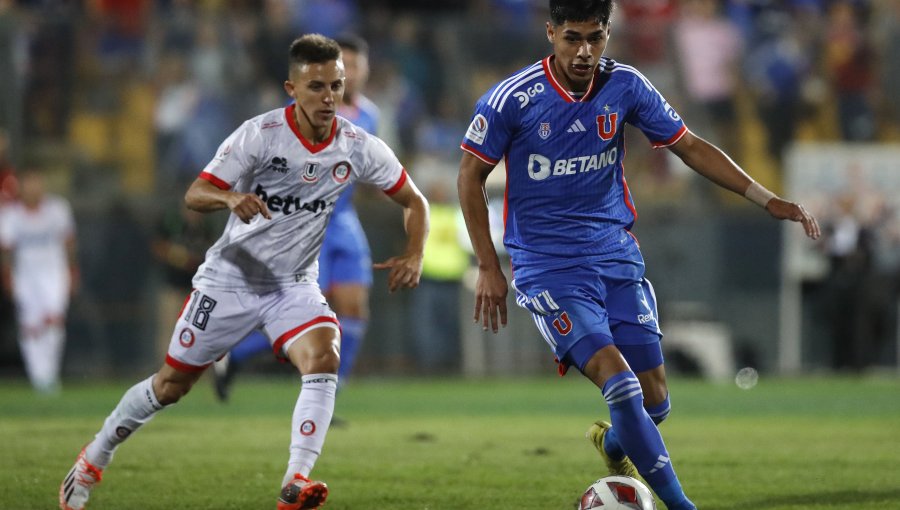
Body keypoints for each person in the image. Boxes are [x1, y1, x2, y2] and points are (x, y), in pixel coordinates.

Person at [456, 2, 820, 509]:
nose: (584, 51)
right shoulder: (512, 99)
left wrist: (767, 198)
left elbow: (688, 145)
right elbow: (470, 177)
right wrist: (490, 267)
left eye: (596, 37)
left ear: (608, 34)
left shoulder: (625, 85)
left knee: (655, 402)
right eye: (572, 38)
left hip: (615, 255)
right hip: (549, 266)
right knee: (621, 387)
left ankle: (612, 444)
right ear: (550, 33)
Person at [60, 34, 429, 510]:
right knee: (170, 386)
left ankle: (295, 482)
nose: (329, 97)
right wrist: (230, 197)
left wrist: (415, 251)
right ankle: (93, 457)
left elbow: (413, 200)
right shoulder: (259, 135)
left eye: (336, 86)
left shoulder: (357, 144)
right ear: (290, 88)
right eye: (316, 86)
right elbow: (195, 193)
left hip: (293, 285)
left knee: (324, 355)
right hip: (230, 281)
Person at [214, 34, 379, 400]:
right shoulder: (306, 113)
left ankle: (332, 391)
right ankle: (235, 355)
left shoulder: (370, 115)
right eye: (344, 67)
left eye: (355, 66)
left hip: (345, 219)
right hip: (308, 222)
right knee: (299, 311)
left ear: (365, 70)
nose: (350, 73)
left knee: (355, 307)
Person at [0, 168, 77, 394]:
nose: (33, 188)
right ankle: (39, 377)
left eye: (37, 183)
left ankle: (50, 374)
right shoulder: (10, 215)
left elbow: (69, 242)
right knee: (31, 327)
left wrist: (73, 272)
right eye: (28, 184)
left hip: (54, 274)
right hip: (25, 276)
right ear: (20, 187)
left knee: (53, 321)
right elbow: (6, 250)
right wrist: (8, 278)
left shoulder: (58, 209)